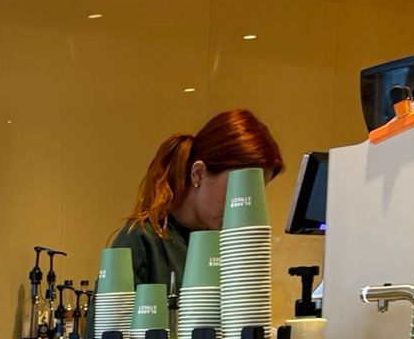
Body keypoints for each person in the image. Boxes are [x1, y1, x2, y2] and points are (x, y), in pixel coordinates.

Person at [109, 108, 285, 294]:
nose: (244, 207)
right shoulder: (143, 240)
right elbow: (106, 313)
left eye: (256, 195)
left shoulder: (229, 247)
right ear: (198, 174)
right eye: (239, 189)